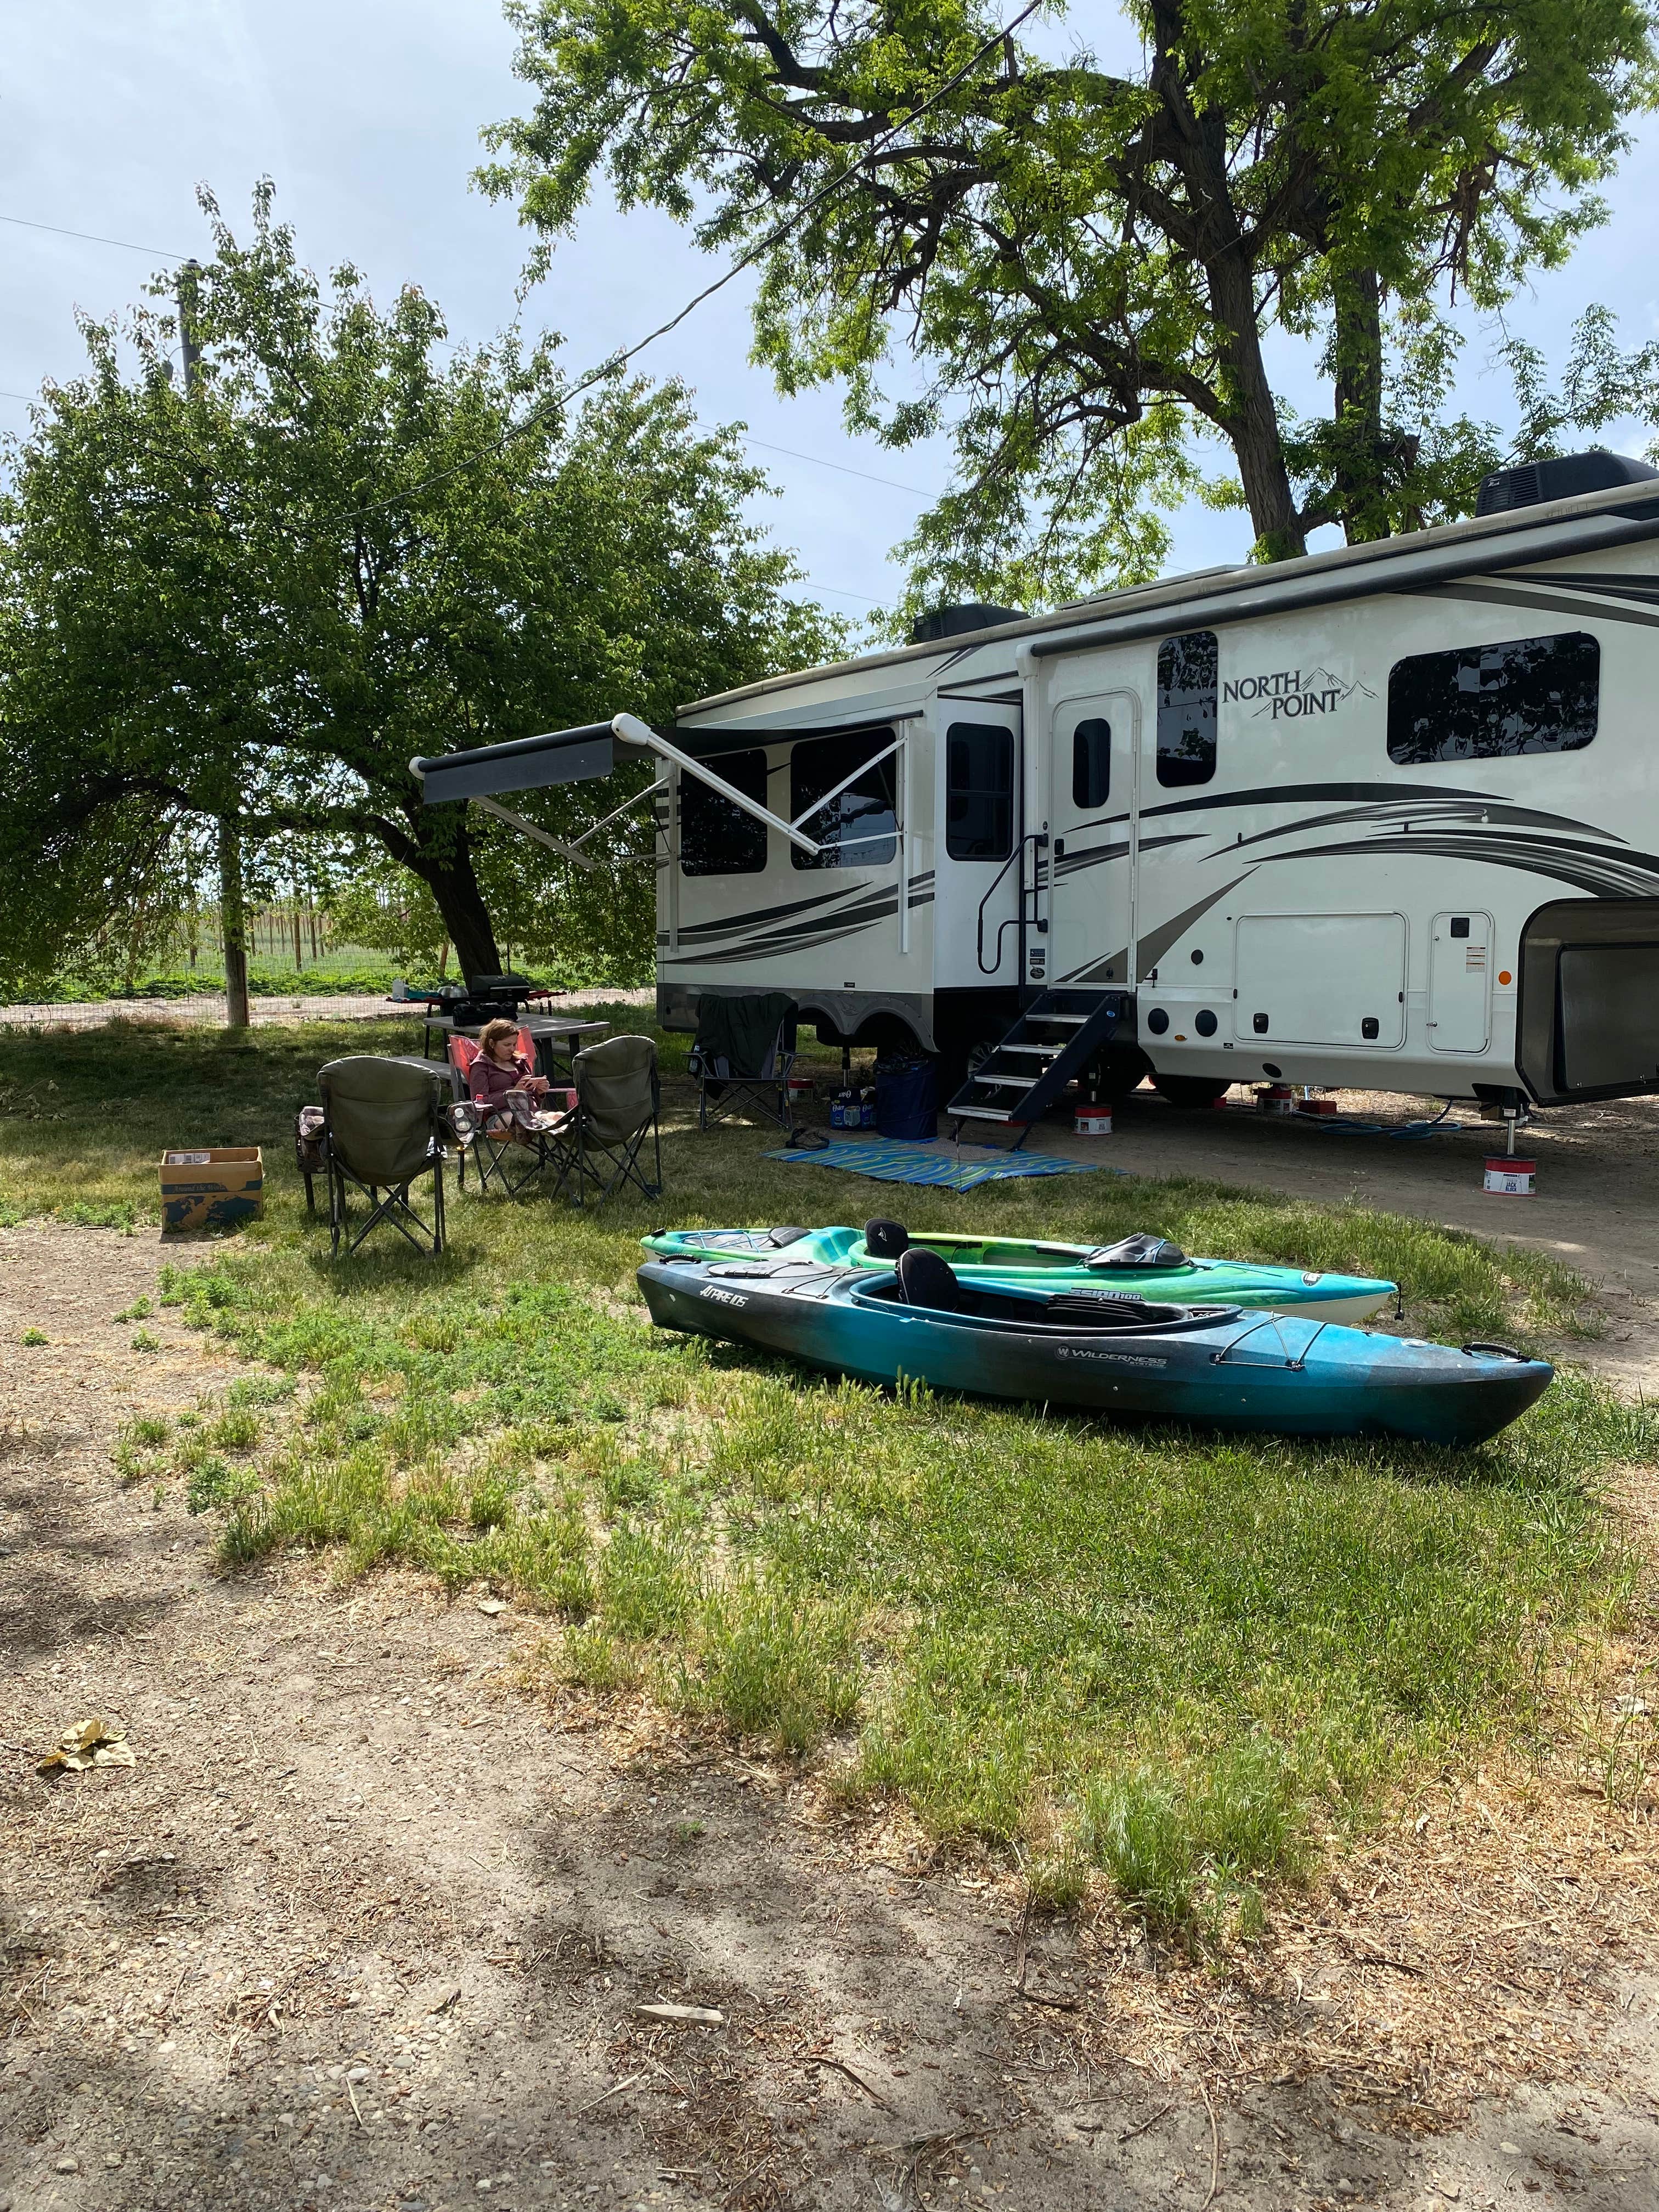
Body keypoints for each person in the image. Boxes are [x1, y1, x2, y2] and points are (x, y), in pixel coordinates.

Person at [468, 1018, 550, 1138]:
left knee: (557, 1117)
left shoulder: (519, 1062)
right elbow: (480, 1104)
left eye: (514, 1044)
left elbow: (531, 1096)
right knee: (527, 1122)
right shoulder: (481, 1067)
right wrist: (512, 1094)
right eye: (507, 1045)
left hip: (531, 1111)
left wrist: (539, 1092)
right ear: (491, 1044)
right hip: (501, 1115)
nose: (512, 1049)